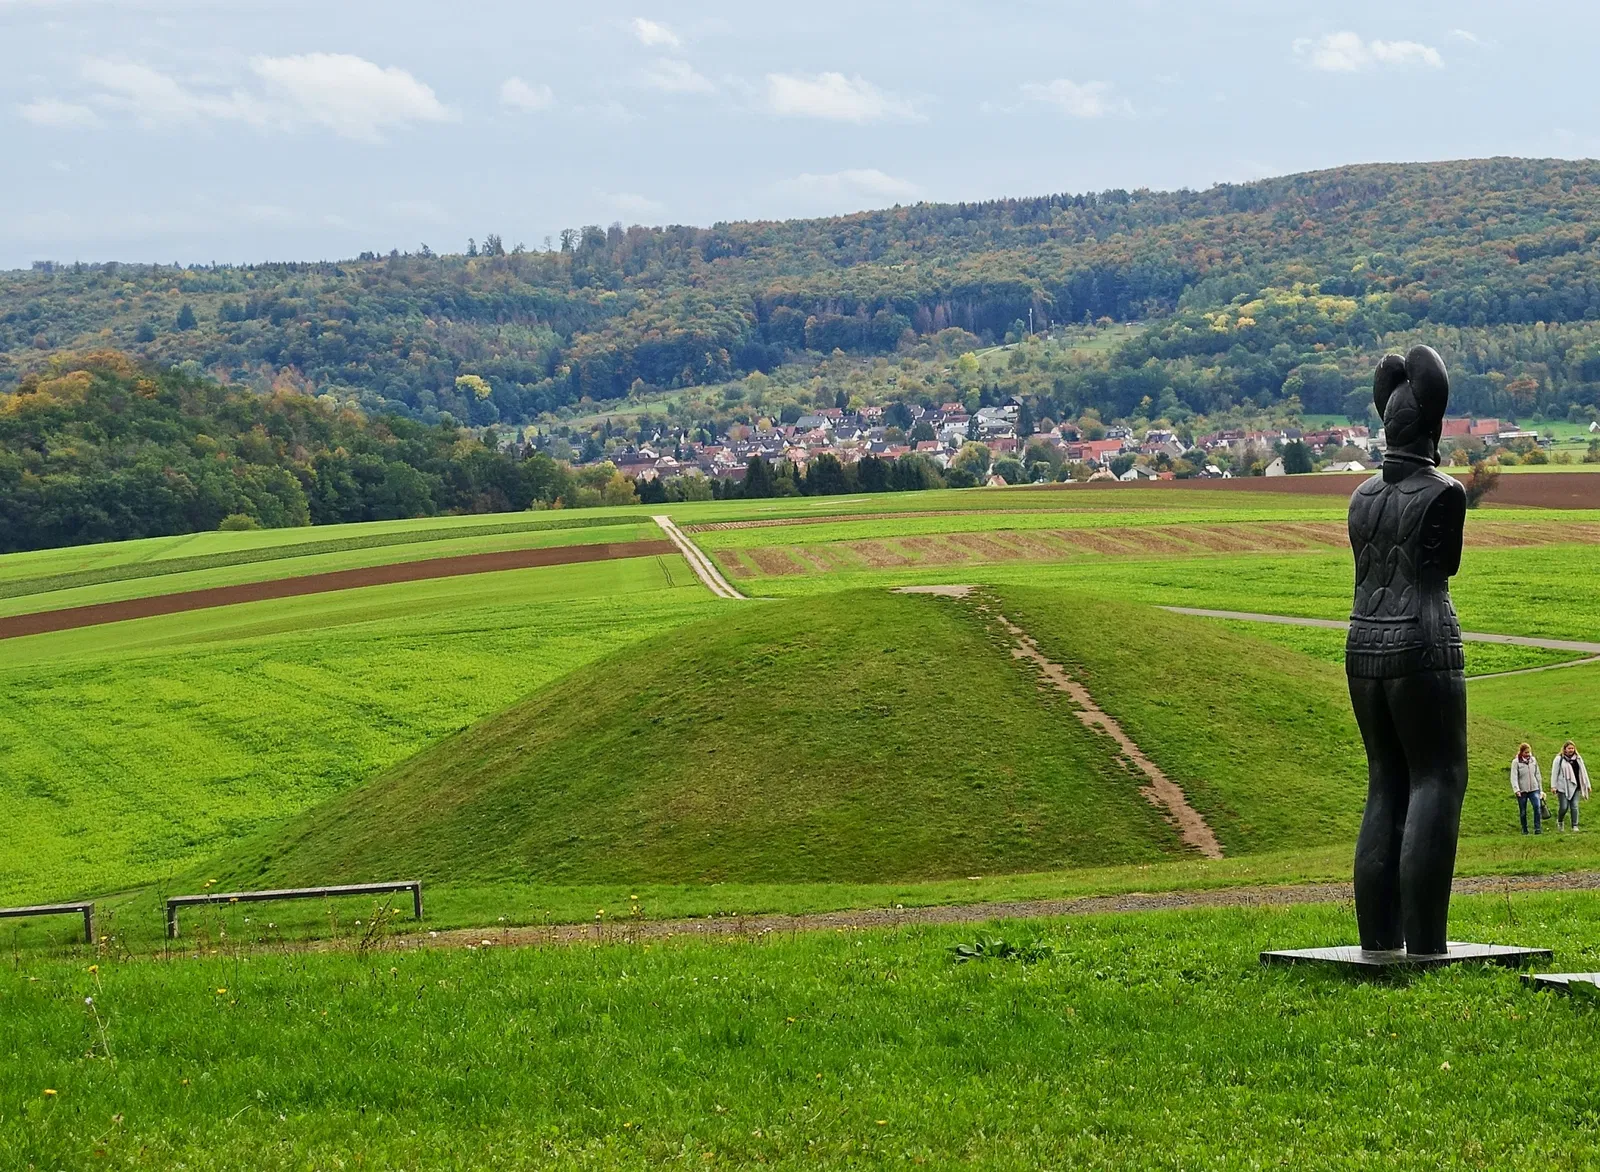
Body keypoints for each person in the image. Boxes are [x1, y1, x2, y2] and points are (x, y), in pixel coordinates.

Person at [1551, 742, 1591, 831]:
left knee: (1574, 806)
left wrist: (1587, 785)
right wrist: (1553, 786)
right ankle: (1560, 821)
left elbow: (1583, 772)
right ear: (1565, 749)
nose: (1571, 750)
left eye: (1572, 748)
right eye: (1569, 748)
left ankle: (1575, 825)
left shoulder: (1578, 759)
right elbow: (1554, 773)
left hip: (1576, 786)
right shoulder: (1559, 759)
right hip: (1563, 787)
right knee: (1564, 807)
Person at [1510, 743, 1543, 834]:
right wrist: (1516, 789)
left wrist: (1541, 789)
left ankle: (1537, 828)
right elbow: (1514, 777)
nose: (1528, 754)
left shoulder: (1533, 760)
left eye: (1529, 752)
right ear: (1521, 752)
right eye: (1526, 752)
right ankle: (1524, 829)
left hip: (1534, 788)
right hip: (1522, 790)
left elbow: (1537, 774)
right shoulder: (1516, 762)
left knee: (1537, 806)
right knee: (1523, 811)